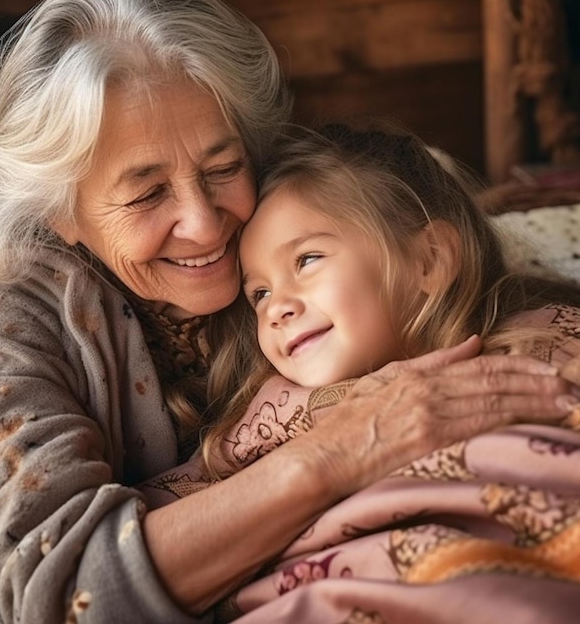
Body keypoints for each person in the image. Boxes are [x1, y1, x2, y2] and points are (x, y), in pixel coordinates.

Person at [0, 0, 577, 623]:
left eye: (223, 167)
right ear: (60, 212)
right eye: (147, 194)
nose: (203, 226)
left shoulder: (289, 217)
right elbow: (67, 595)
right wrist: (343, 448)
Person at [141, 122, 580, 623]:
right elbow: (152, 526)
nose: (276, 308)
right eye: (258, 293)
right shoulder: (267, 414)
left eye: (306, 259)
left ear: (429, 260)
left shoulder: (540, 341)